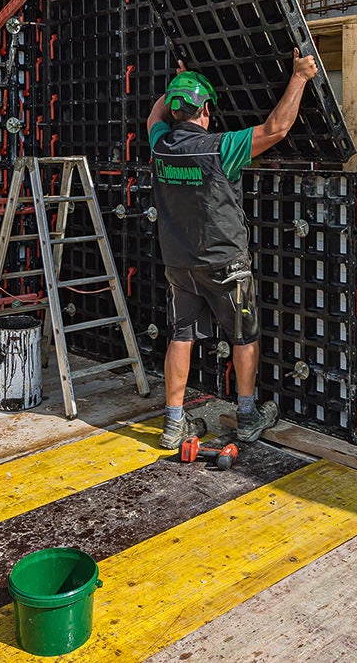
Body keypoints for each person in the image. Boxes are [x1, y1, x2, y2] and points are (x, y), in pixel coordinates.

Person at [146, 48, 320, 449]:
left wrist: (180, 84)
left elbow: (155, 115)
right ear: (206, 110)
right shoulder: (221, 147)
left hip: (180, 263)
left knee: (181, 336)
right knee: (244, 336)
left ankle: (173, 424)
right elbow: (276, 128)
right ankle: (246, 416)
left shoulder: (160, 145)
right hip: (225, 263)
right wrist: (299, 77)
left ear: (175, 109)